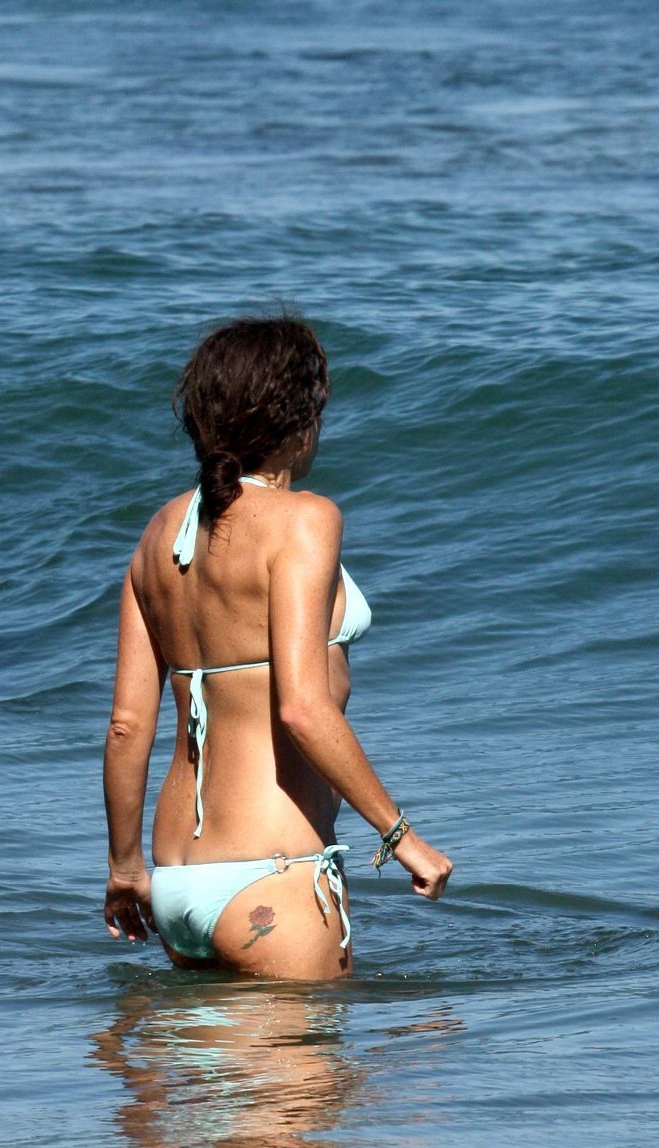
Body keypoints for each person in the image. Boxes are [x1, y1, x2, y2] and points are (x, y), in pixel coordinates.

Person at [103, 314, 452, 979]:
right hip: (273, 876)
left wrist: (125, 868)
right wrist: (403, 838)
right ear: (299, 418)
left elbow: (126, 727)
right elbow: (302, 707)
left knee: (219, 1086)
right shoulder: (304, 521)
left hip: (176, 882)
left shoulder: (156, 536)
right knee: (320, 1084)